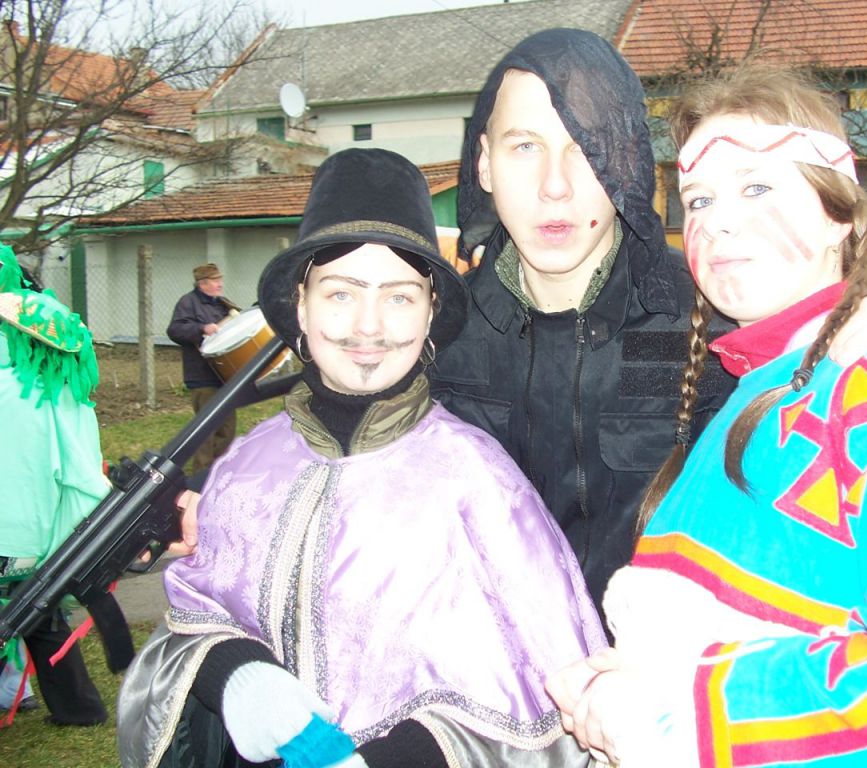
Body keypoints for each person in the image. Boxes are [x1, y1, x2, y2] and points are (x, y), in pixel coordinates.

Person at [431, 28, 867, 624]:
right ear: (484, 163)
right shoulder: (432, 333)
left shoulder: (707, 315)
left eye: (588, 147)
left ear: (625, 164)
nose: (554, 186)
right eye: (524, 146)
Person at [546, 64, 867, 766]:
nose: (718, 220)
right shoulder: (743, 389)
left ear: (841, 217)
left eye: (757, 188)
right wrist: (614, 687)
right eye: (698, 199)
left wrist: (675, 713)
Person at [117, 148, 606, 768]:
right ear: (301, 305)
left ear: (430, 312)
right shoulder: (246, 466)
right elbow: (198, 610)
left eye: (399, 297)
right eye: (341, 293)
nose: (368, 327)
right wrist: (238, 672)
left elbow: (543, 688)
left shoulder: (479, 481)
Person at [0, 246, 112, 726]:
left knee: (30, 610)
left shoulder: (20, 381)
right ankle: (76, 708)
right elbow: (77, 458)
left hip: (13, 525)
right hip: (39, 526)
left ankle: (28, 693)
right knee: (36, 609)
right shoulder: (55, 384)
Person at [167, 262, 241, 473]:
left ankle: (218, 471)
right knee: (206, 431)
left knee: (227, 429)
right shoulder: (188, 303)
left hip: (224, 376)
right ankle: (201, 476)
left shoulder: (223, 304)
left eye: (220, 280)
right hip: (202, 376)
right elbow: (175, 330)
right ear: (203, 284)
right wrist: (201, 328)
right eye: (216, 281)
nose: (220, 284)